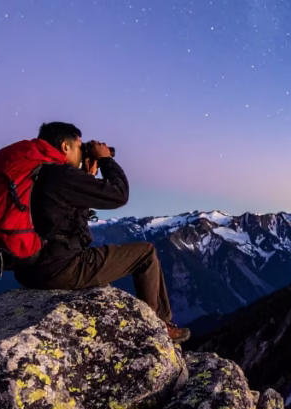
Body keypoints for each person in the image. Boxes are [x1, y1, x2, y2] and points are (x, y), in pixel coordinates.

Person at [13, 121, 190, 343]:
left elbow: (65, 217)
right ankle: (156, 327)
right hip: (59, 268)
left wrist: (87, 176)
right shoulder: (61, 174)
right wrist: (106, 159)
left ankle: (159, 323)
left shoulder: (36, 173)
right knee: (145, 253)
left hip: (30, 268)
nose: (82, 151)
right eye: (79, 146)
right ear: (65, 146)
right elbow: (119, 195)